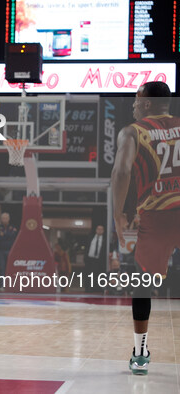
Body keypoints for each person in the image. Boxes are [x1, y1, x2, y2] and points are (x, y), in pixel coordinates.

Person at [111, 81, 180, 375]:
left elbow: (122, 170)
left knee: (143, 285)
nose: (133, 105)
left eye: (137, 100)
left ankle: (141, 353)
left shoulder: (133, 131)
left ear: (148, 104)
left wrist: (117, 216)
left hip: (158, 216)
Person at [84, 225, 106, 293]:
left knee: (97, 275)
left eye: (101, 229)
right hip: (90, 260)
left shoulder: (105, 239)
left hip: (99, 260)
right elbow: (87, 248)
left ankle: (97, 289)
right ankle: (88, 289)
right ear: (96, 230)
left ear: (103, 231)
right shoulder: (90, 238)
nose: (99, 230)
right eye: (98, 229)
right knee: (89, 274)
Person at [0, 212, 17, 277]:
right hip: (1, 251)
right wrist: (8, 235)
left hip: (10, 250)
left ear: (8, 219)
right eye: (3, 218)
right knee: (2, 268)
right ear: (1, 219)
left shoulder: (12, 227)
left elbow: (13, 236)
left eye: (6, 218)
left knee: (10, 267)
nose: (5, 219)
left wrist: (4, 234)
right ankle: (2, 284)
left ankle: (10, 284)